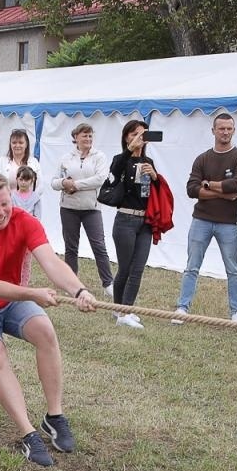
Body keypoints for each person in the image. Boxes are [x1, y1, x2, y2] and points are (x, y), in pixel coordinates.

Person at [0, 171, 97, 466]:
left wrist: (78, 289)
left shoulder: (25, 221)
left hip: (10, 301)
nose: (2, 212)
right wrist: (32, 294)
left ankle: (54, 417)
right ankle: (28, 434)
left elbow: (51, 262)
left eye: (6, 203)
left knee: (45, 330)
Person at [178, 113, 237, 322]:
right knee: (192, 266)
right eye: (221, 128)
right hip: (201, 219)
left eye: (229, 128)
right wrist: (222, 192)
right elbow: (191, 189)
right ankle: (182, 308)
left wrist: (207, 184)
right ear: (213, 131)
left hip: (228, 222)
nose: (225, 132)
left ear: (233, 130)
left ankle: (236, 311)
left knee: (233, 269)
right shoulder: (202, 158)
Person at [106, 121, 162, 329]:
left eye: (143, 135)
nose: (139, 138)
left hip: (145, 221)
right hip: (125, 220)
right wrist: (128, 151)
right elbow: (113, 174)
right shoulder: (120, 160)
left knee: (138, 268)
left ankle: (126, 309)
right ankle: (121, 310)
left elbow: (155, 193)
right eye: (134, 134)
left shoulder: (149, 161)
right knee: (126, 268)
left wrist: (155, 177)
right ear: (126, 137)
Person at [51, 123, 112, 294]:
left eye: (90, 135)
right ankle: (72, 283)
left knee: (99, 245)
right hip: (68, 208)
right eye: (84, 135)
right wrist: (64, 183)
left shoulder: (99, 156)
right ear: (76, 137)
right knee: (71, 247)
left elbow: (100, 178)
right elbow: (54, 182)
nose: (88, 139)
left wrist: (75, 185)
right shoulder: (65, 158)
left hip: (91, 208)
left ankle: (108, 283)